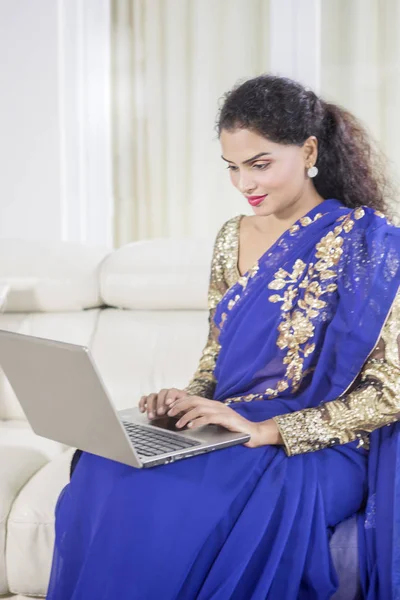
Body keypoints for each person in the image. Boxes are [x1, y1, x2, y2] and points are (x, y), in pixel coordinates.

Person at [46, 75, 400, 600]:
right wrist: (191, 399)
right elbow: (218, 349)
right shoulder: (232, 237)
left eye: (260, 164)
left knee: (176, 490)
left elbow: (389, 392)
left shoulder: (373, 244)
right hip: (233, 421)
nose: (245, 184)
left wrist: (268, 430)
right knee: (105, 464)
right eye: (232, 167)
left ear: (308, 151)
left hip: (318, 444)